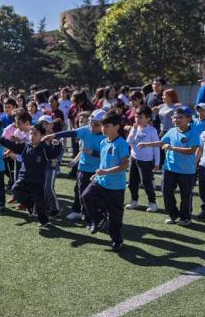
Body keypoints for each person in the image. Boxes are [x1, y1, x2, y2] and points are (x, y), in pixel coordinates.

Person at [138, 106, 201, 225]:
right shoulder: (172, 131)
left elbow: (192, 150)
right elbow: (162, 142)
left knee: (185, 196)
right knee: (166, 192)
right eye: (175, 117)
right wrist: (147, 144)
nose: (177, 120)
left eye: (180, 117)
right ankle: (173, 215)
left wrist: (173, 148)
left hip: (187, 170)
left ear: (188, 119)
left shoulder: (194, 132)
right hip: (169, 168)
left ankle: (186, 217)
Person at [0, 122, 62, 229]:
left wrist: (58, 145)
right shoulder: (25, 147)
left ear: (42, 136)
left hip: (37, 180)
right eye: (31, 134)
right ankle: (31, 206)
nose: (32, 136)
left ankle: (44, 221)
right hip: (23, 178)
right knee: (16, 189)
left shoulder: (45, 149)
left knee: (40, 202)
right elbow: (13, 145)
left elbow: (54, 153)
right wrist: (2, 140)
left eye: (35, 134)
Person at [81, 113, 130, 251]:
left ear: (116, 127)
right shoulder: (103, 142)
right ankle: (99, 219)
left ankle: (117, 240)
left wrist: (105, 172)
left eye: (107, 126)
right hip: (100, 181)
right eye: (103, 125)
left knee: (115, 217)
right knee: (85, 196)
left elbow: (124, 165)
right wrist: (97, 174)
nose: (103, 128)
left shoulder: (121, 144)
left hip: (116, 187)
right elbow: (103, 163)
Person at [46, 110, 106, 221]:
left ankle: (94, 215)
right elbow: (70, 133)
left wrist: (93, 153)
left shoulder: (106, 136)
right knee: (79, 191)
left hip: (99, 170)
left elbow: (107, 156)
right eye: (91, 123)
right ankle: (77, 211)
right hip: (83, 168)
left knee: (95, 195)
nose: (92, 126)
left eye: (96, 124)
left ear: (104, 124)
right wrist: (55, 135)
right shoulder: (85, 130)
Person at [125, 105, 160, 212]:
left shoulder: (152, 130)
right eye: (136, 117)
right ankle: (134, 201)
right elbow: (129, 143)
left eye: (140, 117)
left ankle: (153, 203)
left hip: (146, 161)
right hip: (134, 158)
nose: (137, 119)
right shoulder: (134, 128)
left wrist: (157, 161)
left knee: (146, 182)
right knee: (132, 182)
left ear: (148, 118)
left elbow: (156, 146)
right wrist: (134, 130)